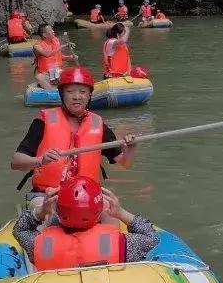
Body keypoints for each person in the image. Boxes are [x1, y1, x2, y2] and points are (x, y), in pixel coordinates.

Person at [11, 66, 139, 217]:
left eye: (83, 92)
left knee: (111, 220)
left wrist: (129, 150)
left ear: (89, 96)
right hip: (46, 194)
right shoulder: (43, 122)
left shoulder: (98, 125)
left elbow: (125, 163)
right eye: (70, 91)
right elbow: (16, 162)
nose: (77, 96)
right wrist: (40, 160)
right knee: (50, 217)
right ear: (62, 94)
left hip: (86, 197)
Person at [12, 176, 158, 270]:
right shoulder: (123, 246)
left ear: (57, 210)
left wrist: (42, 211)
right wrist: (120, 212)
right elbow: (151, 236)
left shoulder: (38, 245)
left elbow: (20, 229)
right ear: (99, 209)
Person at [33, 23, 77, 89]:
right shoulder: (37, 46)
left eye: (52, 29)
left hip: (57, 71)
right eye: (50, 30)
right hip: (46, 74)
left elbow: (60, 57)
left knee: (72, 73)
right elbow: (47, 54)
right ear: (44, 35)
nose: (53, 31)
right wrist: (63, 46)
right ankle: (51, 91)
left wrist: (70, 57)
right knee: (39, 77)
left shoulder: (55, 41)